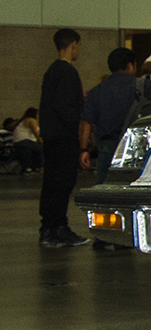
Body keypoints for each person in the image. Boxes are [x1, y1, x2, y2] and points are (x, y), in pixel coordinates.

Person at [38, 29, 86, 247]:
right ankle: (59, 227)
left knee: (51, 183)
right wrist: (77, 128)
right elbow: (65, 107)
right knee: (63, 183)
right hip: (64, 137)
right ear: (73, 44)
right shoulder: (68, 72)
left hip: (50, 136)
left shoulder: (51, 71)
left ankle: (48, 228)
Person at [80, 48, 140, 198]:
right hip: (134, 145)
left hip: (106, 146)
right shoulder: (140, 87)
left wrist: (84, 149)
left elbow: (86, 122)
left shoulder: (97, 91)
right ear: (130, 66)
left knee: (104, 189)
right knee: (132, 190)